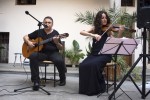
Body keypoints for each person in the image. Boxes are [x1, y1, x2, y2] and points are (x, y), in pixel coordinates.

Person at [79, 10, 124, 96]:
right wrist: (93, 35)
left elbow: (116, 42)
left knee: (94, 65)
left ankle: (97, 88)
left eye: (106, 18)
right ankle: (85, 89)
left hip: (105, 55)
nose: (105, 19)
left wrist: (120, 32)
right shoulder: (94, 28)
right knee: (83, 65)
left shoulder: (109, 30)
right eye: (102, 18)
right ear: (98, 19)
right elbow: (82, 32)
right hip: (94, 54)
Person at [23, 16, 66, 91]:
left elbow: (60, 48)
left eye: (49, 22)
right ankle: (36, 80)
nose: (47, 24)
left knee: (59, 60)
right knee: (32, 56)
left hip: (53, 53)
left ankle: (62, 78)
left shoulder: (56, 33)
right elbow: (25, 36)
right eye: (45, 22)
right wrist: (28, 42)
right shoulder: (39, 31)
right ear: (43, 23)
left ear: (52, 24)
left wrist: (56, 43)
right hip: (42, 53)